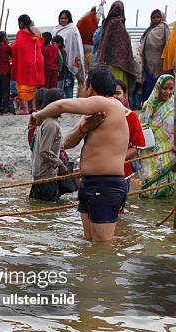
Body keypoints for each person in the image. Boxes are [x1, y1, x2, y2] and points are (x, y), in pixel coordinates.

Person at [30, 64, 129, 241]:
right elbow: (67, 143)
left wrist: (38, 116)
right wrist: (84, 128)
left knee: (102, 247)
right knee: (90, 244)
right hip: (89, 183)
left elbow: (61, 106)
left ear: (90, 86)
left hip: (105, 184)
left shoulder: (108, 103)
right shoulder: (92, 113)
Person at [138, 74, 176, 198]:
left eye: (171, 89)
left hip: (170, 155)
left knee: (167, 193)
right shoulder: (148, 105)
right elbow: (141, 127)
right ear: (158, 87)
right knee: (149, 193)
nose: (168, 92)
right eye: (165, 88)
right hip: (149, 154)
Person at [29, 88, 71, 201]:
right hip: (46, 175)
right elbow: (45, 151)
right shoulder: (51, 124)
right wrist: (61, 165)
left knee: (37, 206)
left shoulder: (45, 121)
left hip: (40, 173)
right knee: (47, 206)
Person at [95, 1, 136, 97]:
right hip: (118, 63)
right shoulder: (117, 23)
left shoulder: (107, 23)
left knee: (113, 85)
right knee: (117, 85)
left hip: (110, 62)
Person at [112, 79, 146, 179]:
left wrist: (117, 160)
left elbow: (137, 146)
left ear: (125, 96)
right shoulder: (99, 115)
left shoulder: (131, 116)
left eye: (118, 93)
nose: (114, 97)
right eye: (111, 93)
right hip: (101, 169)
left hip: (123, 169)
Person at [12, 15, 44, 114]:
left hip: (26, 62)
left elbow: (18, 47)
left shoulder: (21, 33)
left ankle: (25, 109)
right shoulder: (36, 32)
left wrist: (11, 47)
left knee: (23, 86)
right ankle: (34, 108)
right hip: (37, 60)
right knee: (34, 86)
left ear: (21, 23)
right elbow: (40, 43)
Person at [51, 10, 85, 98]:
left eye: (65, 18)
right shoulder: (55, 29)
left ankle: (69, 107)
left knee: (68, 86)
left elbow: (76, 45)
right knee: (57, 87)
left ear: (69, 19)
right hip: (57, 63)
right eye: (61, 18)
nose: (63, 20)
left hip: (69, 62)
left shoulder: (73, 29)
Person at [140, 10, 169, 101]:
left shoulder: (164, 28)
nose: (155, 19)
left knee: (158, 85)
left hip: (160, 63)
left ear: (162, 18)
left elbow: (169, 44)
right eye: (153, 17)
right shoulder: (149, 30)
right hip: (148, 63)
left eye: (158, 17)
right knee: (148, 86)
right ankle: (147, 105)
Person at [0, 31, 11, 114]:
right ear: (4, 38)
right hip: (5, 70)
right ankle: (5, 108)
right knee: (5, 90)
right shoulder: (6, 47)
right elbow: (12, 55)